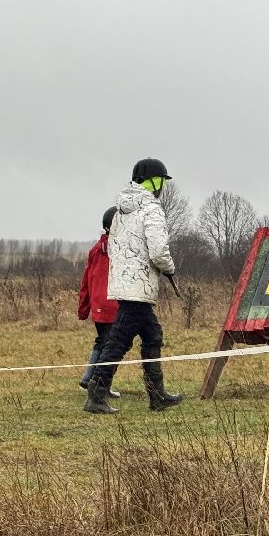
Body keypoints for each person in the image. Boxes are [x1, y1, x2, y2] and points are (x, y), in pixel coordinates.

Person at [82, 158, 183, 414]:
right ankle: (96, 394)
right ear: (153, 181)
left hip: (124, 284)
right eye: (161, 181)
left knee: (152, 335)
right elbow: (159, 251)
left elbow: (117, 248)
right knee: (118, 342)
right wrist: (169, 268)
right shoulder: (152, 209)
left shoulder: (120, 211)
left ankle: (157, 394)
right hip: (138, 287)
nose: (162, 186)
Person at [76, 206, 121, 399]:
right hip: (112, 304)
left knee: (103, 342)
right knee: (111, 345)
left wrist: (84, 308)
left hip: (99, 305)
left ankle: (93, 379)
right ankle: (94, 381)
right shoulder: (115, 250)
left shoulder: (95, 249)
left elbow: (86, 281)